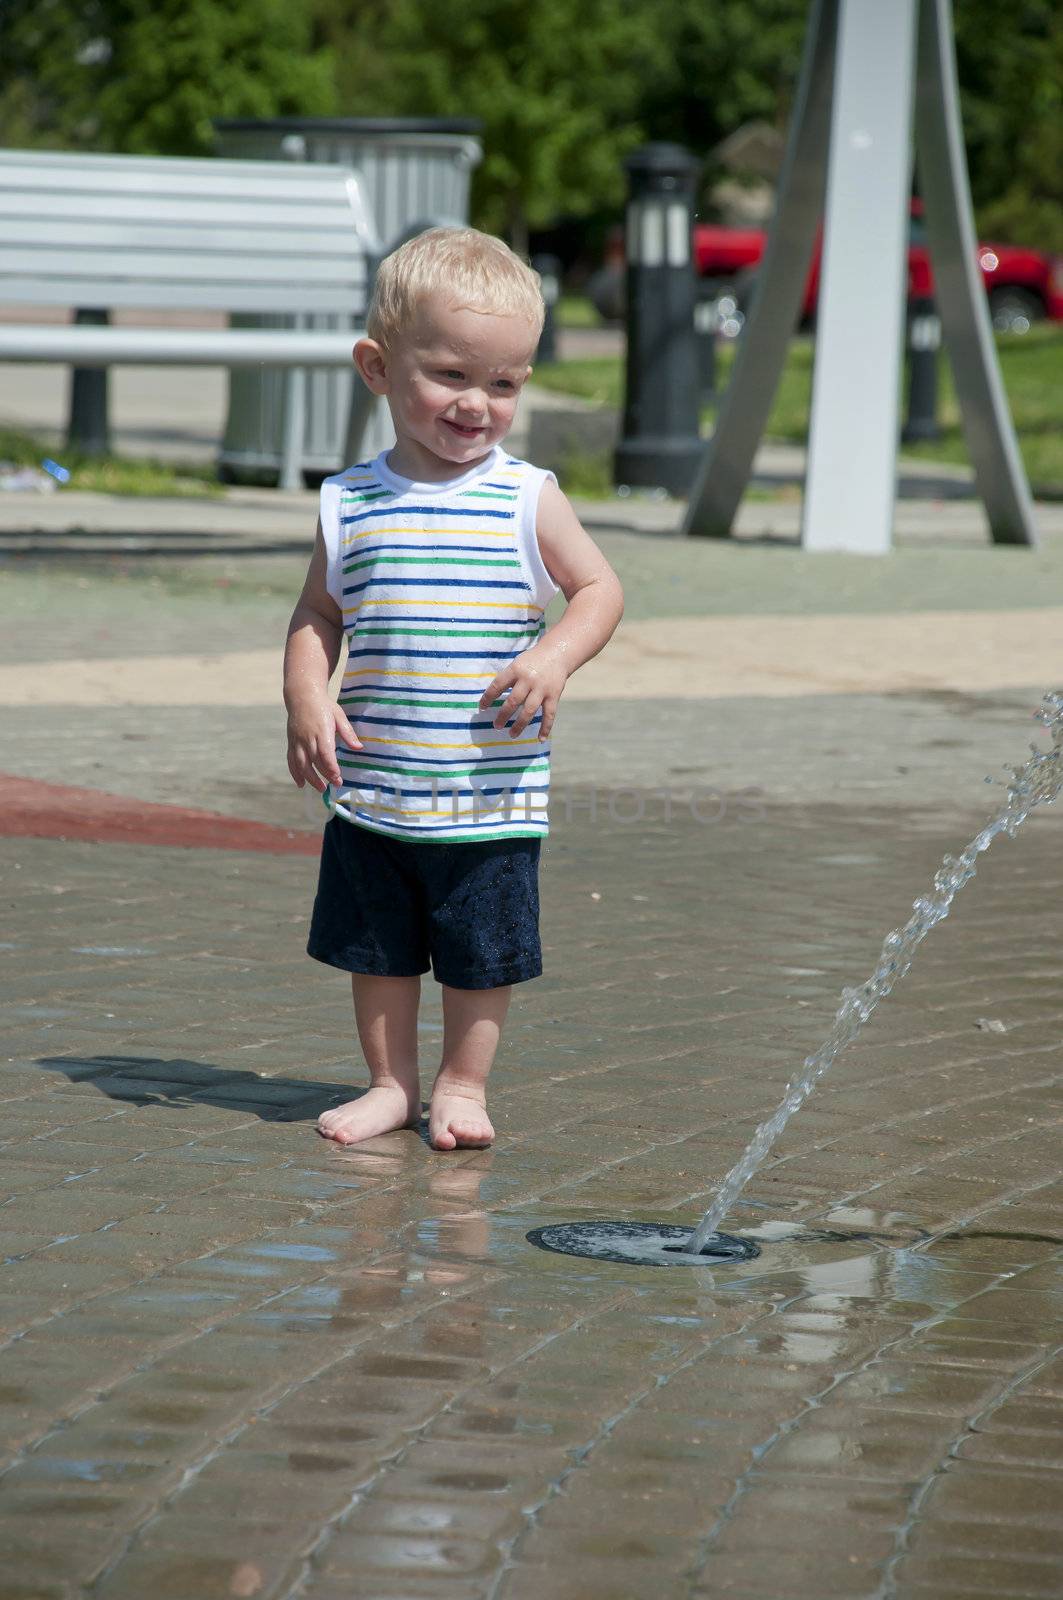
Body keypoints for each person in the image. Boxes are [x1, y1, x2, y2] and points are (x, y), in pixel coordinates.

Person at [283, 226, 623, 1151]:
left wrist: (553, 657)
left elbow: (600, 589)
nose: (477, 405)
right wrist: (306, 698)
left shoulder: (525, 497)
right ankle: (389, 1084)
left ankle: (463, 1086)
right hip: (376, 786)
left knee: (480, 955)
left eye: (504, 384)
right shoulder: (348, 502)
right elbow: (317, 615)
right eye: (450, 376)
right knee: (378, 950)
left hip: (487, 798)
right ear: (378, 366)